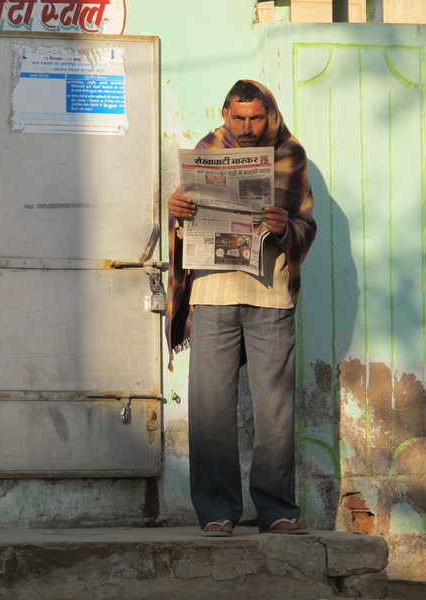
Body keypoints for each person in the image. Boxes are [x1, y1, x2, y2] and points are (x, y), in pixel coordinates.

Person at [166, 80, 317, 537]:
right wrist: (177, 211)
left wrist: (284, 227)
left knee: (276, 409)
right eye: (238, 118)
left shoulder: (290, 154)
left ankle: (277, 510)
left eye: (255, 118)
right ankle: (216, 509)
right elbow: (182, 224)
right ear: (224, 114)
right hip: (213, 292)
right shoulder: (207, 151)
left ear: (269, 114)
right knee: (210, 408)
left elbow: (307, 225)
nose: (247, 128)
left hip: (269, 294)